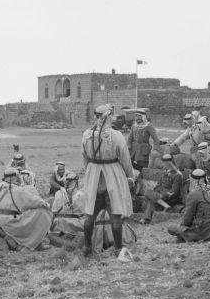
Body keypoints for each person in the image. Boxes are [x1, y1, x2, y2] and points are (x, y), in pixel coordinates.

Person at [81, 104, 134, 261]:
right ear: (108, 117)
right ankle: (118, 249)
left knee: (89, 214)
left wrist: (91, 171)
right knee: (115, 215)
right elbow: (124, 157)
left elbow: (84, 156)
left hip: (93, 176)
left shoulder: (86, 135)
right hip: (112, 175)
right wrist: (129, 175)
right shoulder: (116, 136)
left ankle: (87, 248)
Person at [0, 167, 52, 251]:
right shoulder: (18, 190)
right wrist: (46, 204)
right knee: (43, 211)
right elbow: (34, 201)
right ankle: (33, 243)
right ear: (15, 177)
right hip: (8, 224)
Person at [167, 169, 210, 242]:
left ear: (193, 180)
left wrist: (183, 226)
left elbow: (187, 219)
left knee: (171, 228)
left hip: (202, 231)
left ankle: (188, 237)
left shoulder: (194, 194)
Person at [138, 154, 183, 225]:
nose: (164, 164)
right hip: (160, 195)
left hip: (170, 198)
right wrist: (156, 193)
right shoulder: (164, 172)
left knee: (151, 199)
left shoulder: (177, 175)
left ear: (170, 163)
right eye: (163, 163)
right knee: (148, 194)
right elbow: (159, 185)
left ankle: (145, 219)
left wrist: (161, 195)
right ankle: (166, 206)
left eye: (165, 163)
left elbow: (174, 191)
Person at [50, 172, 85, 237]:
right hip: (74, 225)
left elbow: (54, 211)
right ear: (76, 183)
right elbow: (83, 213)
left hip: (58, 224)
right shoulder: (81, 195)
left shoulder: (58, 193)